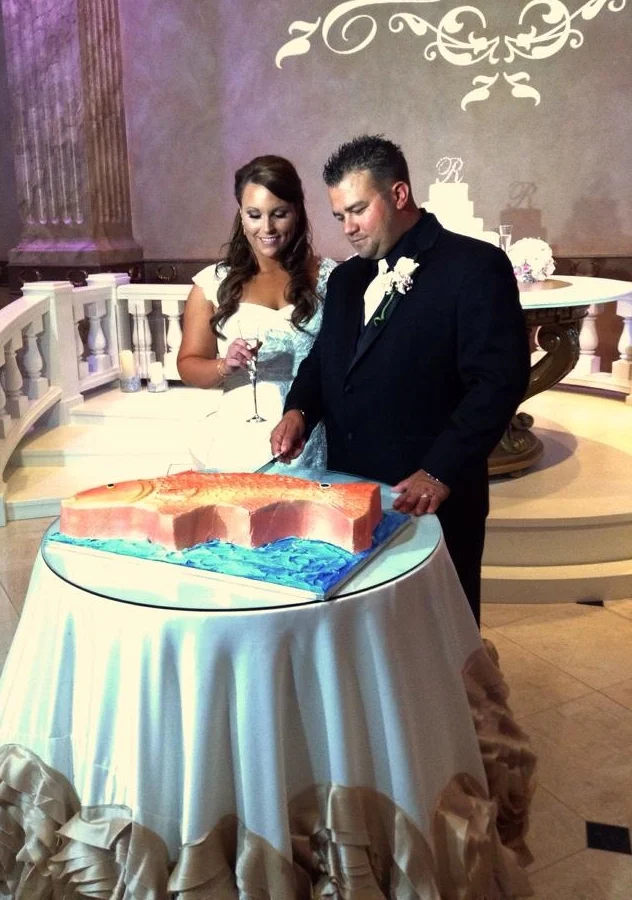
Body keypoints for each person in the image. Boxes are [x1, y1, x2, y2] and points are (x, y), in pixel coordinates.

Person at [271, 135, 531, 625]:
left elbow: (498, 381)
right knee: (369, 631)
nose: (348, 228)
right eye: (339, 216)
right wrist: (299, 410)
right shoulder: (346, 280)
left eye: (357, 210)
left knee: (441, 634)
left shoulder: (474, 267)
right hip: (351, 493)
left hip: (431, 498)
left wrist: (440, 471)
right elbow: (325, 359)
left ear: (399, 194)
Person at [178, 155, 336, 471]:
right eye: (254, 215)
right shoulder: (213, 283)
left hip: (309, 439)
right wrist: (225, 365)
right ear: (241, 214)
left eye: (279, 214)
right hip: (240, 443)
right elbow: (188, 366)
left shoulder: (330, 278)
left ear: (297, 212)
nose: (267, 228)